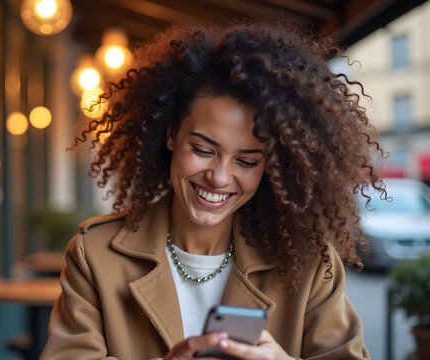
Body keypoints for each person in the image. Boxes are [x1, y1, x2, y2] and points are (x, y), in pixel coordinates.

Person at [40, 22, 384, 360]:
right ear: (172, 135)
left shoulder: (308, 263)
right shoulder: (95, 256)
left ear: (272, 166)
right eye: (204, 150)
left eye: (247, 162)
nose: (219, 178)